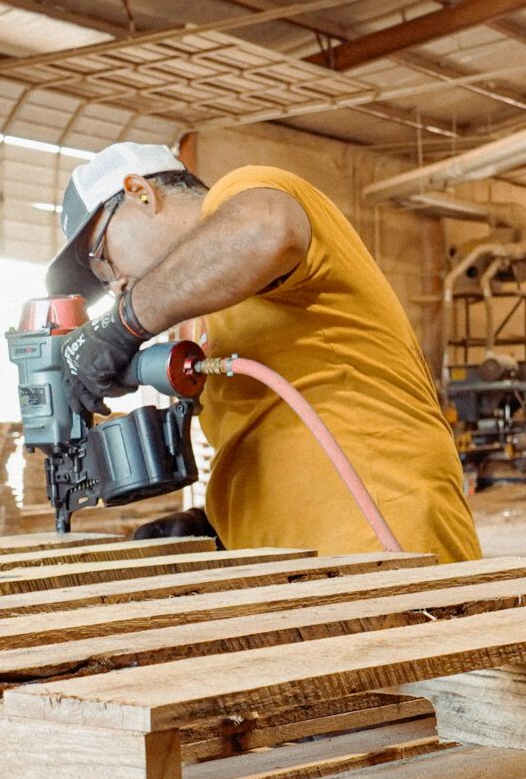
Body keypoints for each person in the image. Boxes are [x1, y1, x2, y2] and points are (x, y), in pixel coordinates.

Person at [47, 142, 479, 562]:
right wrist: (217, 521)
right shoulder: (202, 317)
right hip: (295, 558)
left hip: (379, 535)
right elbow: (269, 432)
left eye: (102, 258)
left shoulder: (253, 192)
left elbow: (268, 230)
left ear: (141, 193)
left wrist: (123, 323)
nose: (116, 284)